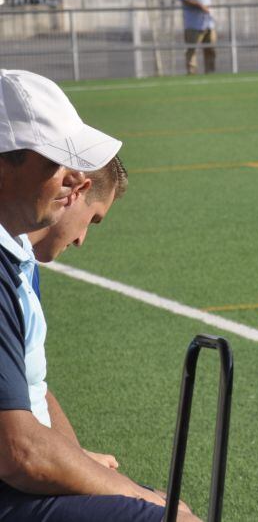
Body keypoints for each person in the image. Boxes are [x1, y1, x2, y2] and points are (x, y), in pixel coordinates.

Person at [0, 69, 200, 522]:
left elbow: (34, 392)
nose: (70, 183)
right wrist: (135, 495)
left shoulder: (14, 254)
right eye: (56, 165)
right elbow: (19, 451)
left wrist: (80, 465)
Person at [176, 0, 227, 75]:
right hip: (193, 24)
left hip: (208, 23)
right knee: (192, 51)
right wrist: (200, 5)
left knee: (210, 50)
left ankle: (210, 73)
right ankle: (192, 74)